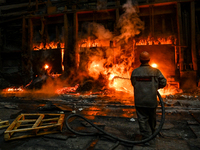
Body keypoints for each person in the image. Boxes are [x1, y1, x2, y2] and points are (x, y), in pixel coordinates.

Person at [130, 51, 167, 143]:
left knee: (142, 119)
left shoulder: (135, 72)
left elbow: (133, 84)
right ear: (149, 60)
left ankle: (146, 137)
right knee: (152, 117)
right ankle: (153, 134)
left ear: (140, 60)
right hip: (151, 100)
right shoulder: (155, 71)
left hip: (139, 101)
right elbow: (163, 82)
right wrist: (155, 87)